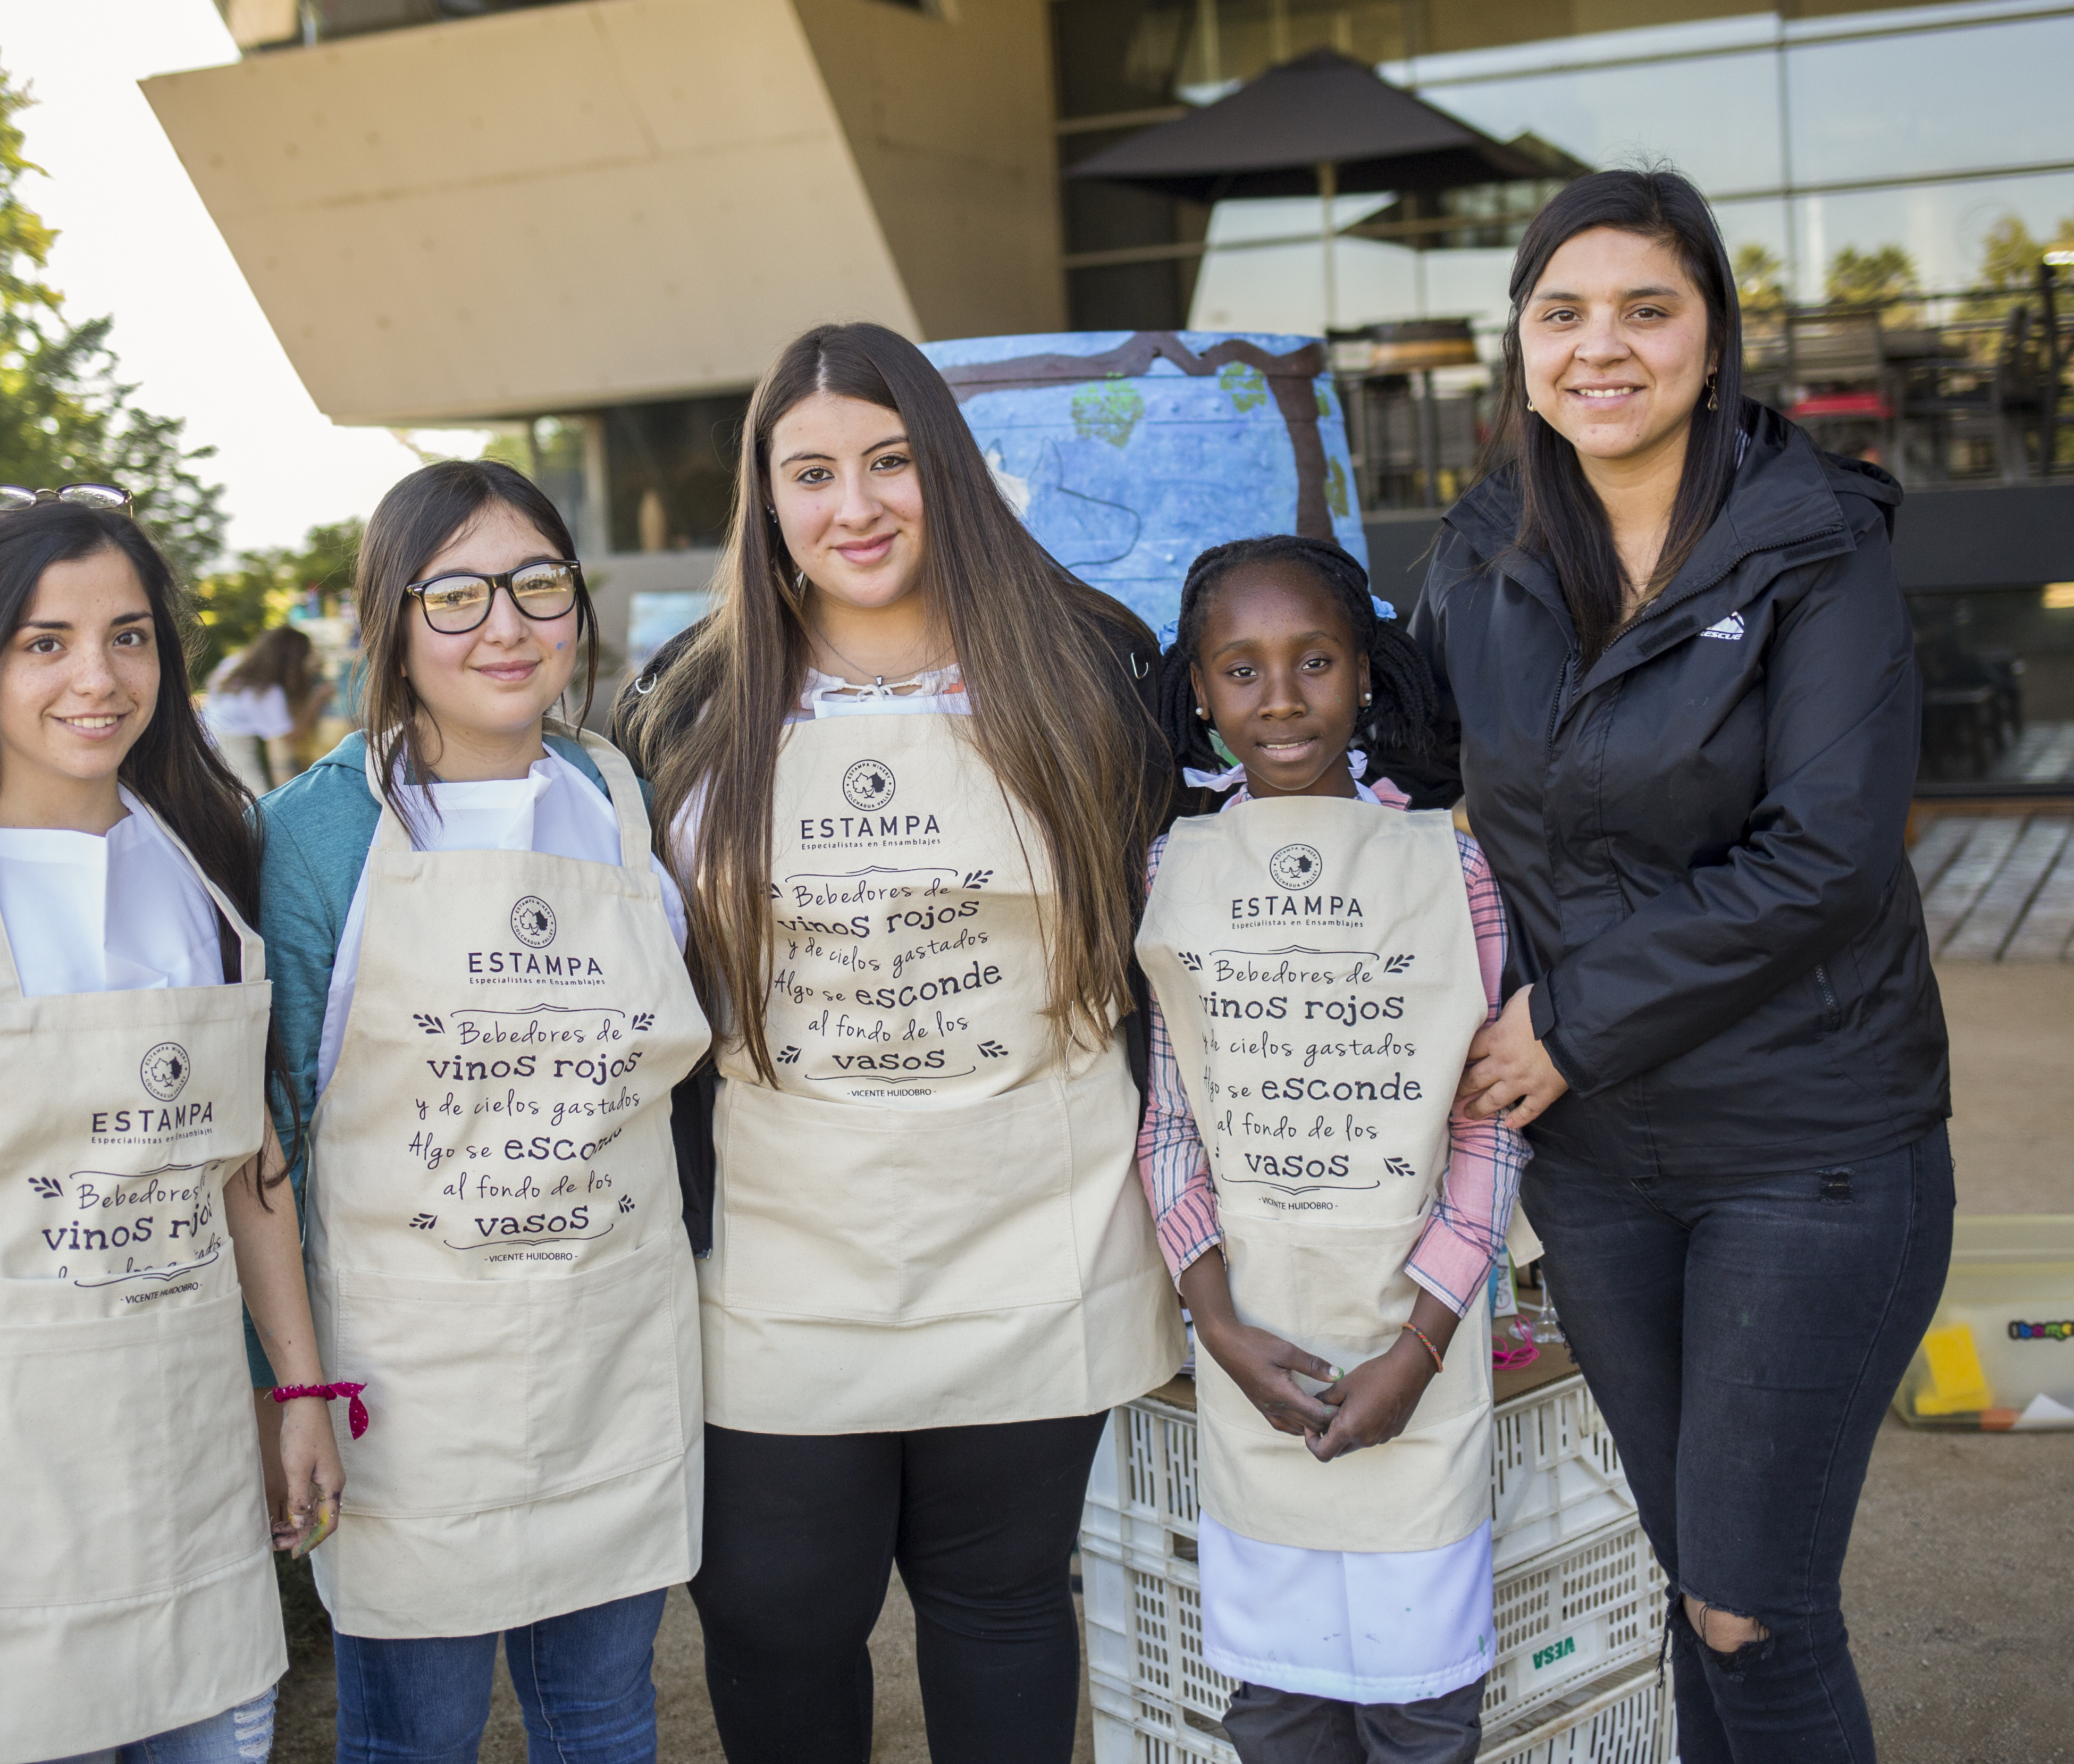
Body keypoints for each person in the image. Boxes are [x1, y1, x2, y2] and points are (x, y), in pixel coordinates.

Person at [1406, 169, 1952, 1764]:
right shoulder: (1481, 550)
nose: (1600, 346)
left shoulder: (1814, 546)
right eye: (1560, 313)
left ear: (1711, 340)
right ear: (1519, 348)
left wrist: (1566, 1022)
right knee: (1690, 1582)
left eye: (1645, 309)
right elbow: (1400, 779)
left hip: (1808, 1148)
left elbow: (1823, 855)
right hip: (1598, 1167)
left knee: (1746, 1612)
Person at [616, 321, 1187, 1764]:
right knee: (771, 1606)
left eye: (888, 461)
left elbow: (1178, 929)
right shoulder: (688, 699)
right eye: (809, 473)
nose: (854, 506)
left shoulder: (1089, 668)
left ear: (948, 466)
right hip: (776, 1243)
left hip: (1031, 1220)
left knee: (998, 1598)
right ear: (765, 500)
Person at [0, 485, 343, 1763]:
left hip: (191, 1461)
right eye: (45, 641)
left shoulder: (203, 867)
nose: (96, 678)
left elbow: (248, 1169)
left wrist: (301, 1390)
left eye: (128, 636)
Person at [250, 458, 709, 1764]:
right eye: (453, 596)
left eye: (536, 584)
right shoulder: (316, 836)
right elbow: (269, 1139)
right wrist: (287, 1386)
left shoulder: (618, 798)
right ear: (389, 624)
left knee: (606, 1720)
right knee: (414, 1737)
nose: (504, 626)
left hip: (610, 1353)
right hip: (405, 1385)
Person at [1132, 534, 1527, 1764]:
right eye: (1240, 669)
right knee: (1278, 1710)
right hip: (1253, 1347)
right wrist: (1215, 1323)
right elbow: (1167, 1120)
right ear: (1198, 692)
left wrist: (1418, 1346)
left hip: (1417, 1346)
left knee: (1422, 1714)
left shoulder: (1451, 867)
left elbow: (1484, 1121)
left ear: (1364, 674)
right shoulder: (1168, 873)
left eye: (1313, 661)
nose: (1280, 697)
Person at [203, 622, 330, 792]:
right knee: (254, 796)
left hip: (208, 729)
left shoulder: (237, 662)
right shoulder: (266, 693)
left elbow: (211, 685)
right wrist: (317, 699)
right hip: (229, 739)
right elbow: (285, 743)